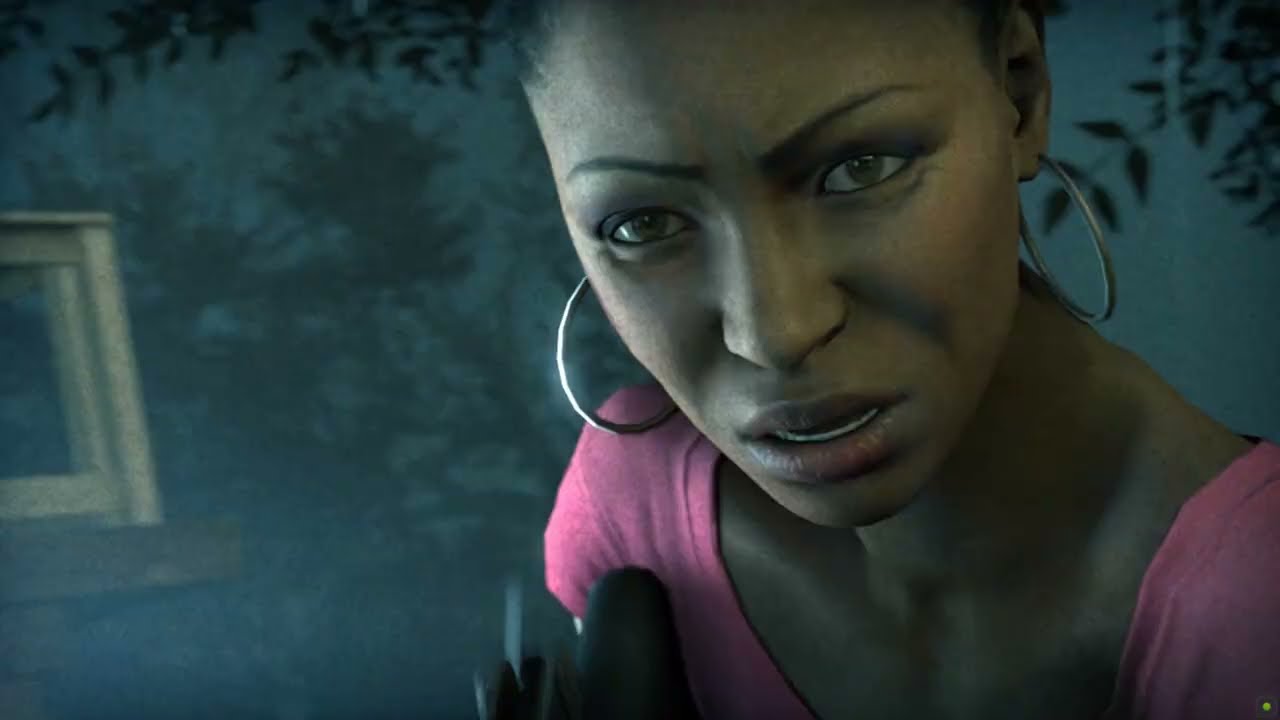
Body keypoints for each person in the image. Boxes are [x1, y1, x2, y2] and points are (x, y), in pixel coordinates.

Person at [482, 1, 1280, 718]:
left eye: (860, 168)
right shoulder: (637, 513)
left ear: (1019, 91)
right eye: (643, 223)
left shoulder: (1260, 609)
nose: (776, 333)